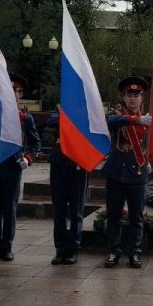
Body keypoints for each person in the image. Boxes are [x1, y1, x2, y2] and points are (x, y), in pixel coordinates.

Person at [0, 74, 41, 262]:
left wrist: (28, 158)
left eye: (15, 91)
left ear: (20, 95)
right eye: (8, 90)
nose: (12, 94)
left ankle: (6, 246)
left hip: (13, 168)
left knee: (9, 209)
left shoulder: (24, 118)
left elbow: (35, 143)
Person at [103, 76, 151, 269]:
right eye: (129, 95)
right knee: (113, 214)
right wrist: (137, 119)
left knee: (136, 216)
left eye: (136, 95)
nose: (132, 98)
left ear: (142, 98)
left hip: (138, 172)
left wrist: (151, 161)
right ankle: (113, 251)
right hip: (116, 171)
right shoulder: (118, 115)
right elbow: (110, 122)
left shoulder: (149, 119)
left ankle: (134, 252)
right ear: (124, 97)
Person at [43, 107, 88, 265]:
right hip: (59, 164)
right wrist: (69, 116)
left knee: (76, 210)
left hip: (78, 164)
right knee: (59, 210)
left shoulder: (86, 110)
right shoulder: (60, 112)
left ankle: (73, 249)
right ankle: (60, 249)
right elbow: (51, 121)